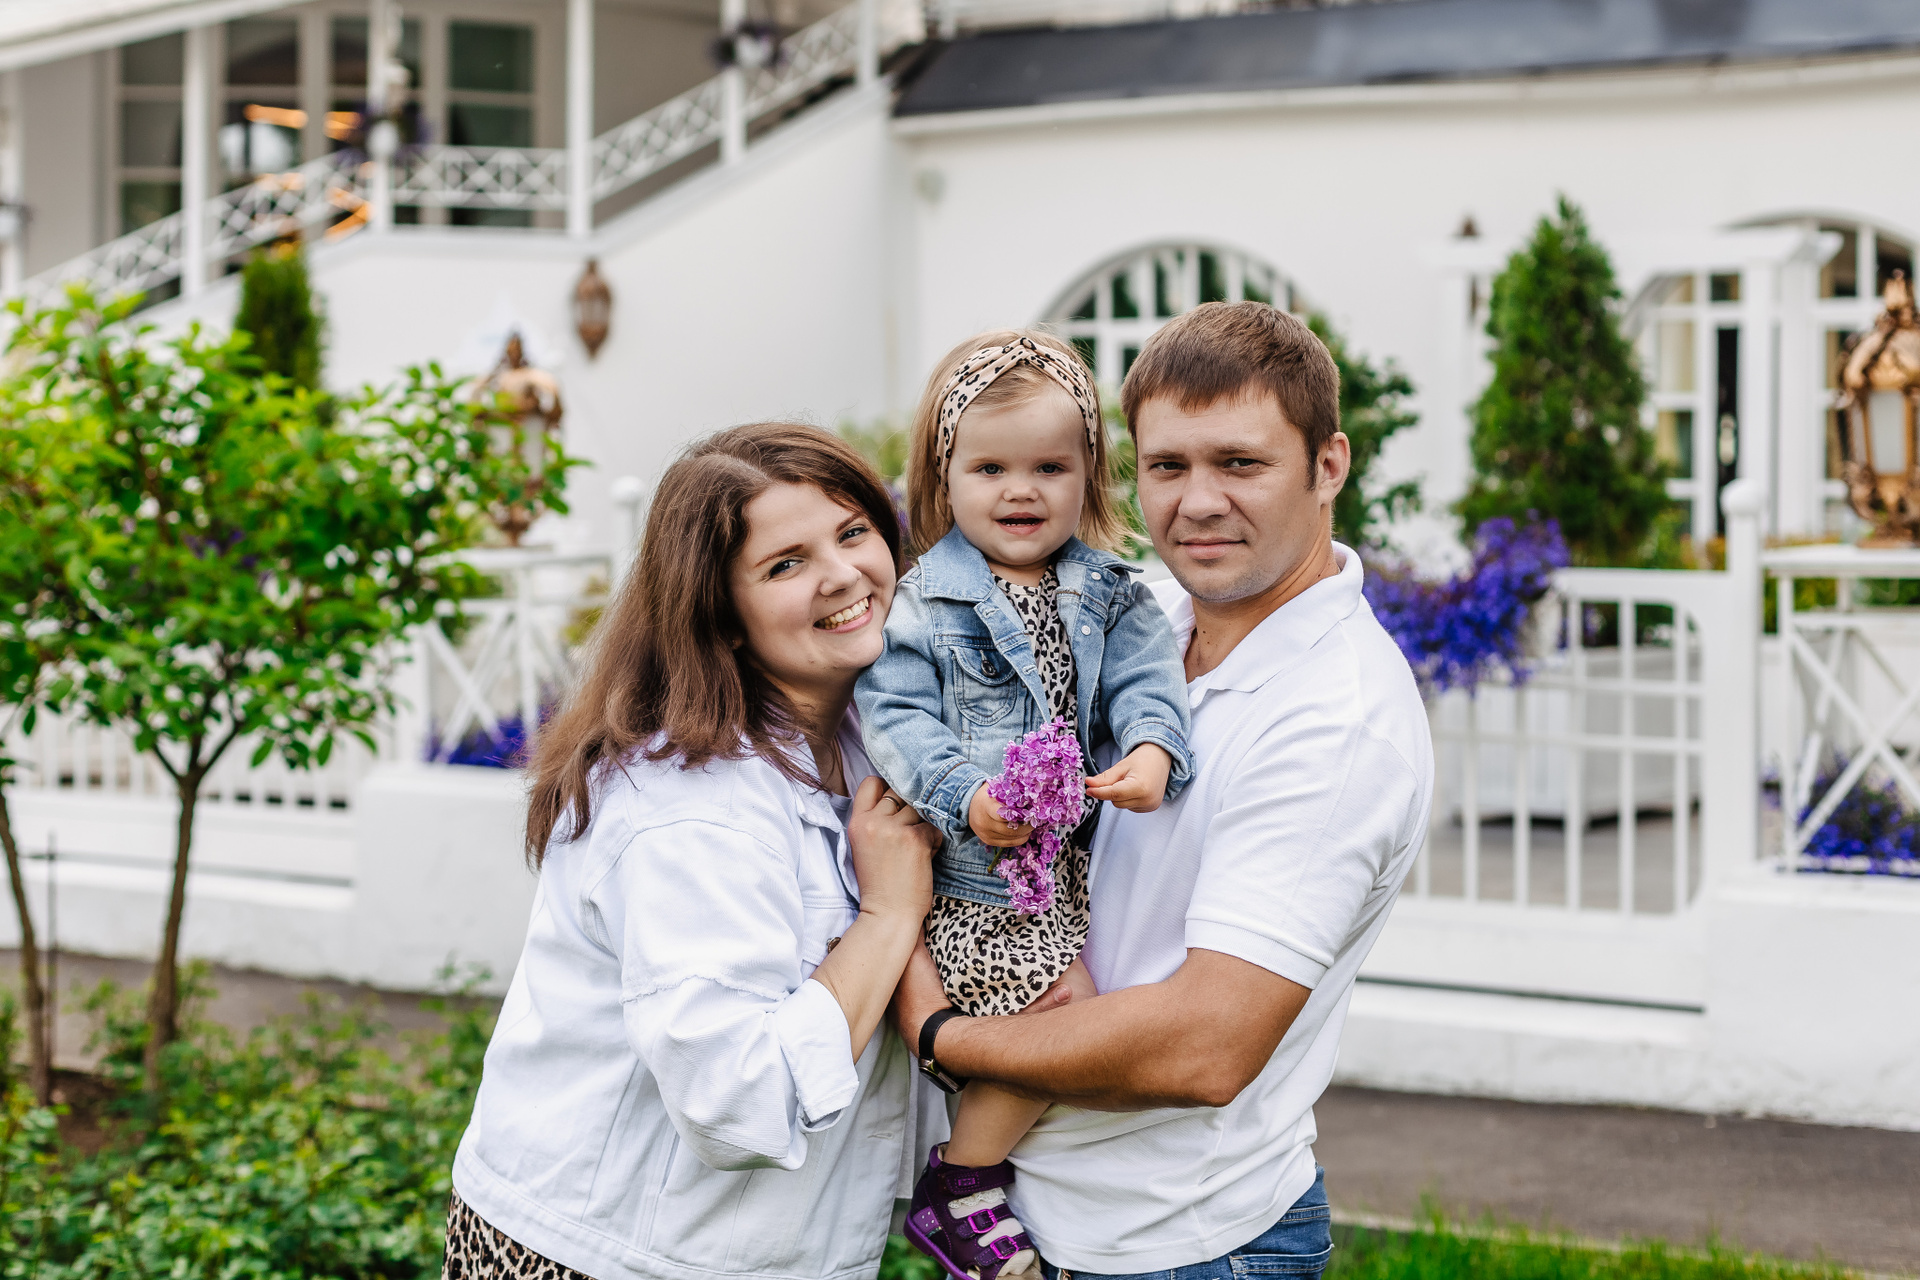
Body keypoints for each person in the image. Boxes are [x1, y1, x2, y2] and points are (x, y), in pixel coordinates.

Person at [893, 302, 1435, 1280]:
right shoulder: (1140, 612)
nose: (1198, 502)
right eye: (1168, 466)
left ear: (1328, 466)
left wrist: (941, 1032)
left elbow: (1203, 1046)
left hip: (1176, 1245)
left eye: (1240, 463)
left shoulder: (1334, 720)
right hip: (1038, 1217)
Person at [446, 423, 942, 1280]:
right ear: (722, 616)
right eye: (785, 564)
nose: (841, 574)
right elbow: (737, 1103)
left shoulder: (876, 740)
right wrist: (889, 915)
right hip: (598, 1257)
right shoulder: (687, 806)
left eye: (853, 531)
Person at [856, 331, 1195, 1280]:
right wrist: (966, 798)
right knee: (1063, 1013)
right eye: (991, 469)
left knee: (1059, 1017)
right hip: (979, 885)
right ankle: (961, 1183)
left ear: (1089, 475)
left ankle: (977, 1177)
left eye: (1050, 468)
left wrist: (1153, 750)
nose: (1022, 491)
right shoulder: (928, 603)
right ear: (945, 476)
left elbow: (1147, 682)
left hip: (1065, 878)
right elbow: (896, 717)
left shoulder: (1111, 592)